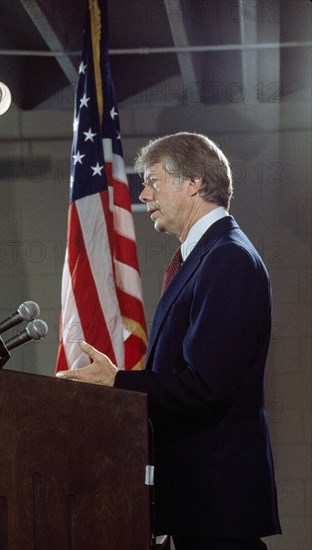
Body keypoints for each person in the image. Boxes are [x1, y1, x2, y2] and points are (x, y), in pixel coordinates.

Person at [58, 132, 282, 549]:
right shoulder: (204, 256)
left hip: (217, 506)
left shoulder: (228, 258)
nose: (143, 194)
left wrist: (118, 381)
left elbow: (206, 387)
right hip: (198, 502)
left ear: (193, 182)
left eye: (154, 181)